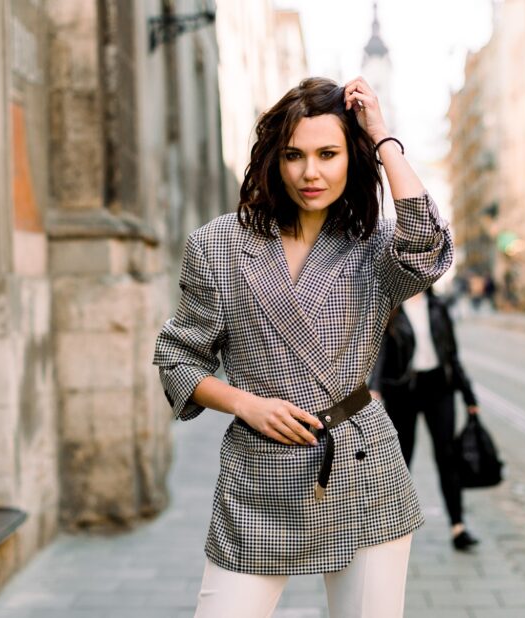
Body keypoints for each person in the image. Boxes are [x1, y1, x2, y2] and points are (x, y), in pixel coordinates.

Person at [153, 77, 452, 617]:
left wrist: (382, 136)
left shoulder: (374, 245)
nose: (310, 172)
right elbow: (178, 356)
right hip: (259, 473)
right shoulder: (218, 244)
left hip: (362, 466)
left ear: (352, 158)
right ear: (274, 159)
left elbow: (427, 245)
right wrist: (246, 404)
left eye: (328, 154)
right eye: (294, 155)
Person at [370, 288, 482, 552]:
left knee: (447, 456)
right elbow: (380, 351)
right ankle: (392, 528)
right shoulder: (391, 305)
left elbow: (451, 354)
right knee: (401, 458)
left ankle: (458, 527)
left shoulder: (437, 306)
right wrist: (375, 387)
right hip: (402, 390)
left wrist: (468, 395)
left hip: (439, 388)